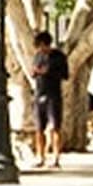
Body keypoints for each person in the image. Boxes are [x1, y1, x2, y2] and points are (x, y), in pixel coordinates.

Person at [28, 28, 69, 169]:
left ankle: (56, 157)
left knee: (55, 127)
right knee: (39, 128)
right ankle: (41, 156)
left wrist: (49, 71)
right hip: (39, 93)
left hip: (53, 94)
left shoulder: (59, 56)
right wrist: (35, 72)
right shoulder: (37, 56)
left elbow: (65, 75)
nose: (40, 49)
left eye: (41, 46)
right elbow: (34, 71)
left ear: (47, 44)